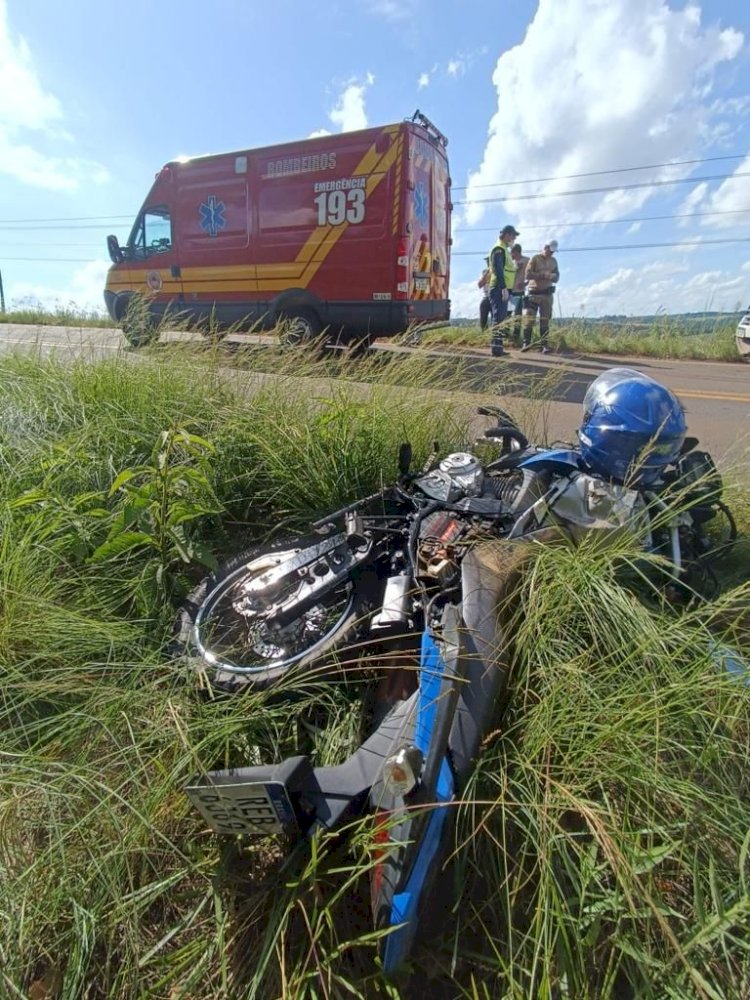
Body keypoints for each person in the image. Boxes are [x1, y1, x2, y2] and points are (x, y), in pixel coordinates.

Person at [522, 239, 559, 354]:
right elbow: (527, 274)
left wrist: (552, 276)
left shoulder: (554, 261)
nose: (551, 253)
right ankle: (526, 343)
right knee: (529, 319)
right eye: (550, 251)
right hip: (534, 293)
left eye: (553, 252)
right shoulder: (535, 259)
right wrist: (542, 275)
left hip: (547, 295)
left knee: (545, 321)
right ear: (545, 247)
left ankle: (544, 345)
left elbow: (557, 277)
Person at [487, 224, 519, 356]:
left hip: (503, 288)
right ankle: (496, 348)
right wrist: (504, 287)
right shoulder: (499, 249)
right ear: (507, 235)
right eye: (513, 236)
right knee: (498, 318)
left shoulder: (504, 249)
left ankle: (498, 347)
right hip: (499, 288)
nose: (514, 239)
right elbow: (498, 269)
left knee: (501, 318)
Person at [509, 243, 529, 347]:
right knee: (507, 314)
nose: (510, 254)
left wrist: (526, 283)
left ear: (516, 252)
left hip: (519, 292)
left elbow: (531, 273)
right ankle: (507, 336)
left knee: (517, 315)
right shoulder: (511, 262)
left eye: (512, 252)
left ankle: (516, 337)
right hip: (510, 292)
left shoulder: (527, 260)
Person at [478, 256, 491, 332]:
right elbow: (480, 284)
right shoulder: (484, 272)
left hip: (496, 297)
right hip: (486, 296)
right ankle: (484, 332)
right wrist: (487, 274)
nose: (488, 263)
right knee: (483, 316)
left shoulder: (500, 271)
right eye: (487, 261)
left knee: (495, 319)